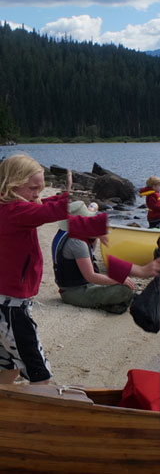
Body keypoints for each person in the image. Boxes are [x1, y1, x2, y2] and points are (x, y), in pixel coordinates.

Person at [0, 154, 106, 384]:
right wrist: (68, 198)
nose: (38, 193)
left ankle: (7, 405)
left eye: (41, 188)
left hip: (5, 303)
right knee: (39, 372)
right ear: (11, 184)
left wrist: (56, 198)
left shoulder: (8, 208)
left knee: (8, 365)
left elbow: (40, 206)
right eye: (33, 188)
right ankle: (42, 412)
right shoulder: (16, 212)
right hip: (12, 309)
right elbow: (46, 212)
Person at [52, 201, 160, 314]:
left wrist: (96, 234)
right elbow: (91, 276)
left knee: (122, 275)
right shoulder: (77, 243)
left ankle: (116, 301)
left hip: (72, 287)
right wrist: (118, 279)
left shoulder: (64, 234)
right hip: (75, 292)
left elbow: (88, 254)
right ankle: (112, 304)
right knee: (125, 289)